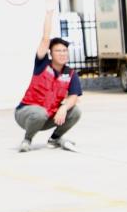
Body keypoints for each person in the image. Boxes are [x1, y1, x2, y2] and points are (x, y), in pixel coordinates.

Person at [15, 10, 82, 152]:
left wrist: (63, 108)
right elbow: (45, 39)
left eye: (64, 51)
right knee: (40, 113)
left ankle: (55, 139)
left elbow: (74, 97)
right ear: (51, 53)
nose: (62, 54)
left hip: (48, 115)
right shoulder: (42, 65)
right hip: (26, 113)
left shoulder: (70, 74)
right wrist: (49, 14)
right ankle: (27, 140)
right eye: (58, 51)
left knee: (75, 111)